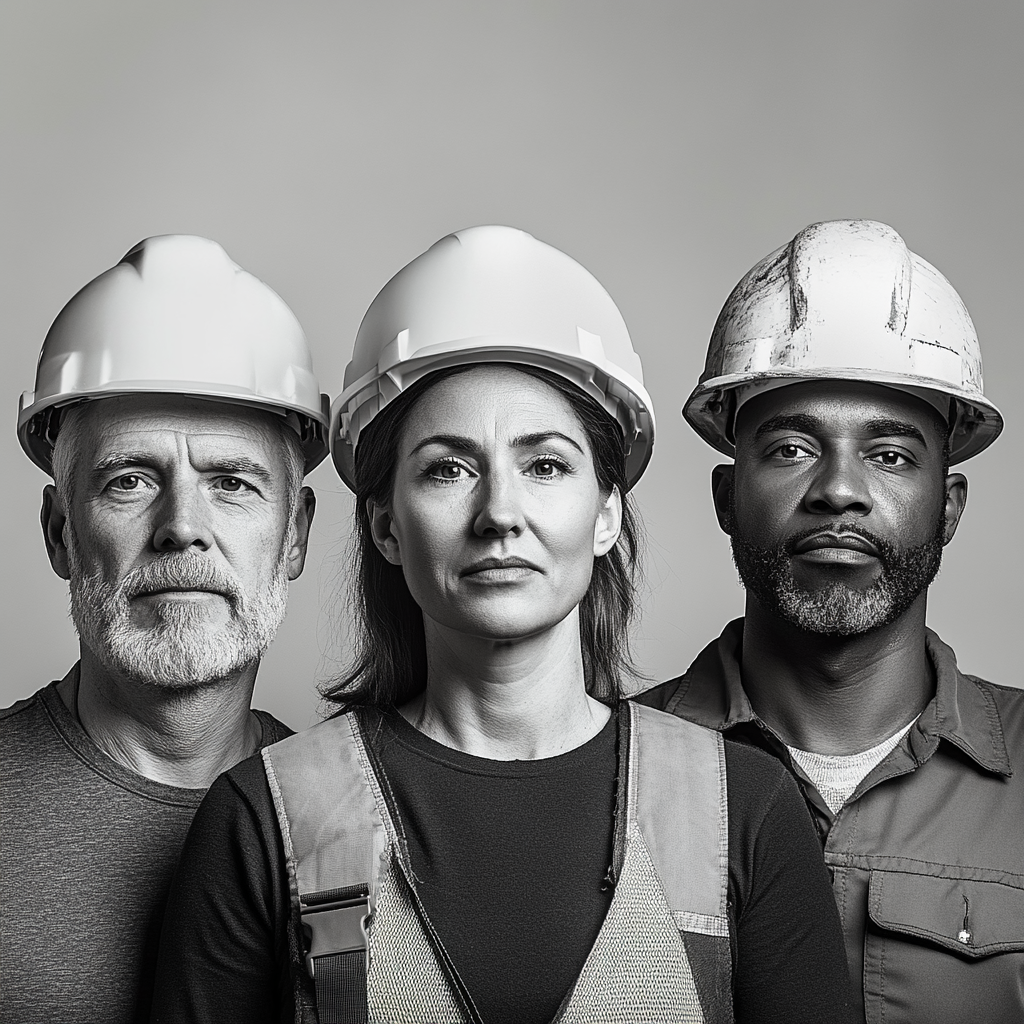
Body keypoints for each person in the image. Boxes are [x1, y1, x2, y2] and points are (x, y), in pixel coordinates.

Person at [153, 225, 853, 1024]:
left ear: (605, 514)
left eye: (546, 465)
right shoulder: (264, 817)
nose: (499, 514)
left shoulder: (742, 810)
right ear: (385, 525)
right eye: (447, 470)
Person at [638, 219, 1023, 1024]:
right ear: (724, 499)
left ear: (948, 507)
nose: (838, 490)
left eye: (889, 455)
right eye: (790, 449)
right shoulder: (607, 770)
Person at [0, 235, 328, 1024]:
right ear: (58, 533)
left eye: (232, 483)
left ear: (295, 538)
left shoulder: (352, 816)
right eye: (129, 480)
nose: (182, 526)